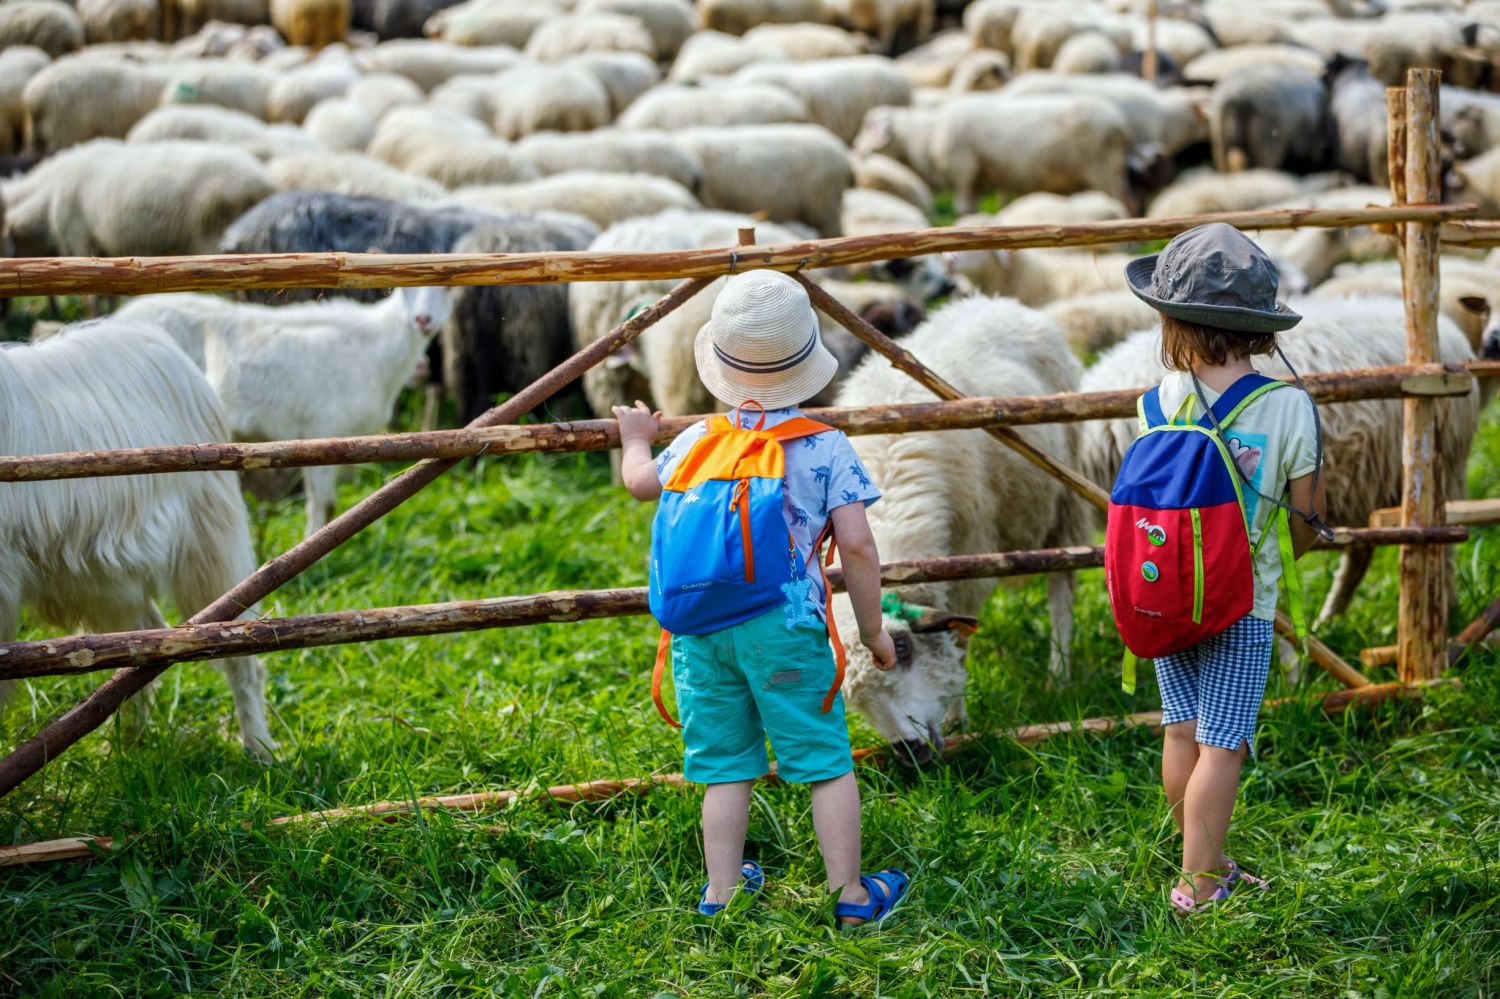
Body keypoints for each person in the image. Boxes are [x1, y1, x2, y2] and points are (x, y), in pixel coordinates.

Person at [612, 269, 912, 926]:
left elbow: (640, 482)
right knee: (826, 762)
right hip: (787, 629)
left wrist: (637, 439)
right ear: (805, 361)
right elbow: (858, 546)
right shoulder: (825, 445)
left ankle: (720, 893)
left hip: (701, 632)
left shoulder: (696, 440)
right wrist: (872, 631)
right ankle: (852, 896)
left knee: (725, 767)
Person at [1122, 223, 1329, 912]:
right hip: (1242, 604)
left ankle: (1197, 850)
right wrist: (1288, 549)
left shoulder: (1154, 400)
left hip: (1168, 596)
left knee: (1181, 730)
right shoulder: (1288, 406)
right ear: (1259, 326)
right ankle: (1200, 882)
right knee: (1224, 744)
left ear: (1170, 318)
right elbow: (1307, 516)